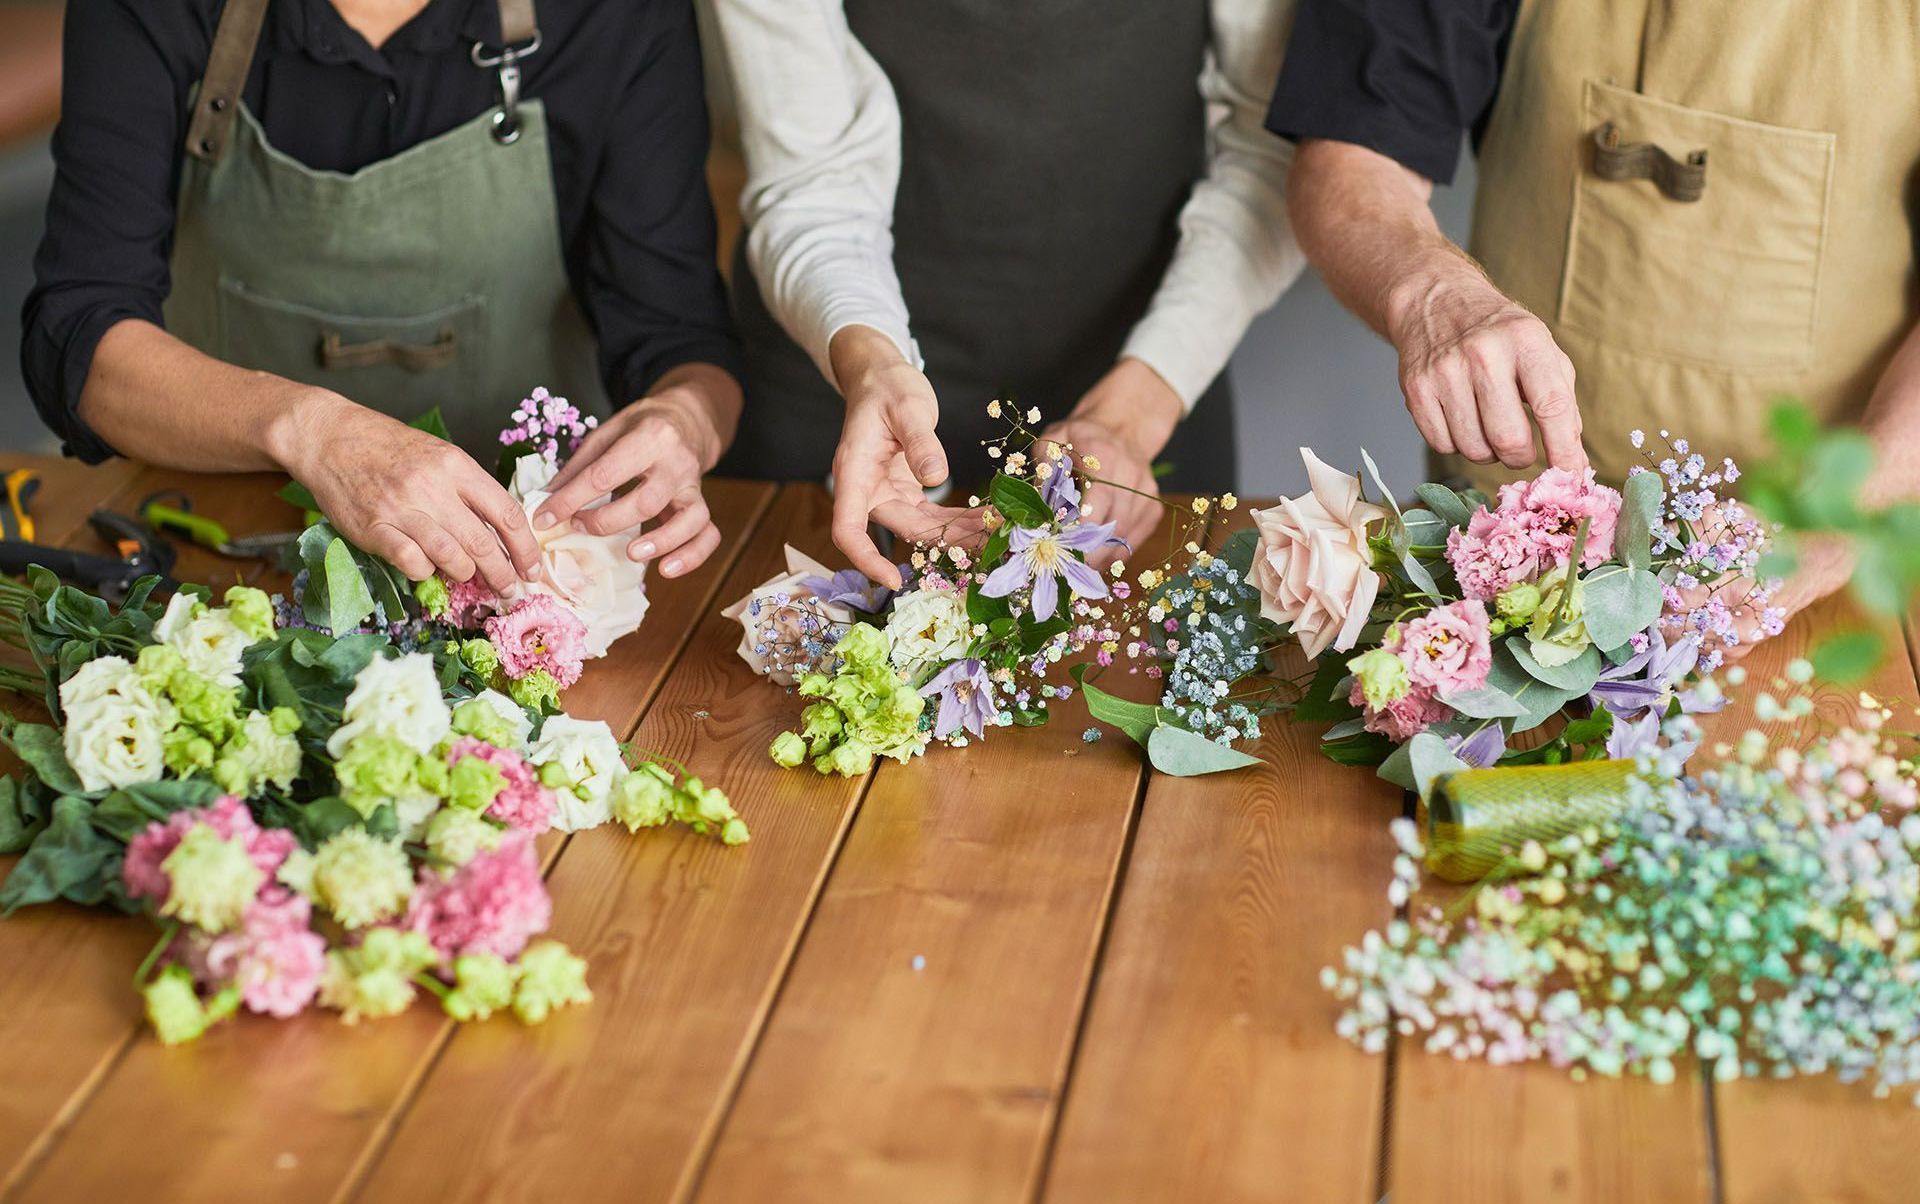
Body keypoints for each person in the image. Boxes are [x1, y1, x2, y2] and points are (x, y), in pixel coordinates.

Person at [22, 0, 742, 592]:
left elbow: (684, 344)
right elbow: (81, 341)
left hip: (516, 572)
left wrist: (685, 418)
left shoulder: (614, 16)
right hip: (205, 547)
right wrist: (313, 431)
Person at [1267, 0, 1920, 626]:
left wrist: (1840, 522)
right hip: (1509, 547)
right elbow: (1350, 152)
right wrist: (1434, 294)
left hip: (1849, 558)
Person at [706, 0, 1307, 586]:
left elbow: (1273, 150)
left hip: (1148, 374)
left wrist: (1131, 415)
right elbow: (811, 181)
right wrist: (871, 363)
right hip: (840, 380)